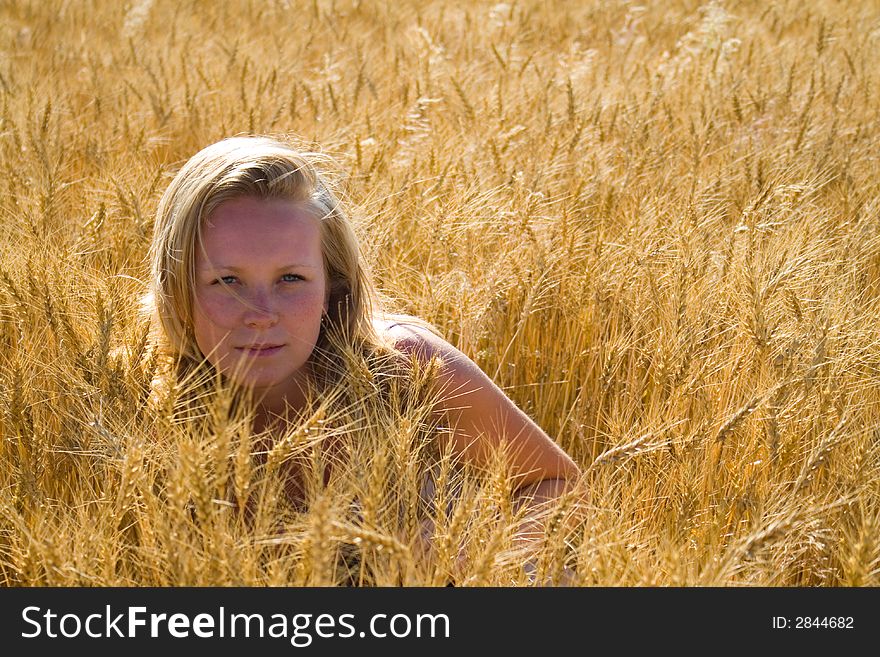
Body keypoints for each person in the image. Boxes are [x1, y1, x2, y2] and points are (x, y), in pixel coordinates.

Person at [144, 135, 581, 580]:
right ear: (176, 287)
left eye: (291, 278)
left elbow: (559, 486)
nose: (261, 314)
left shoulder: (410, 371)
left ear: (334, 286)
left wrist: (471, 550)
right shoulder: (134, 404)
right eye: (226, 280)